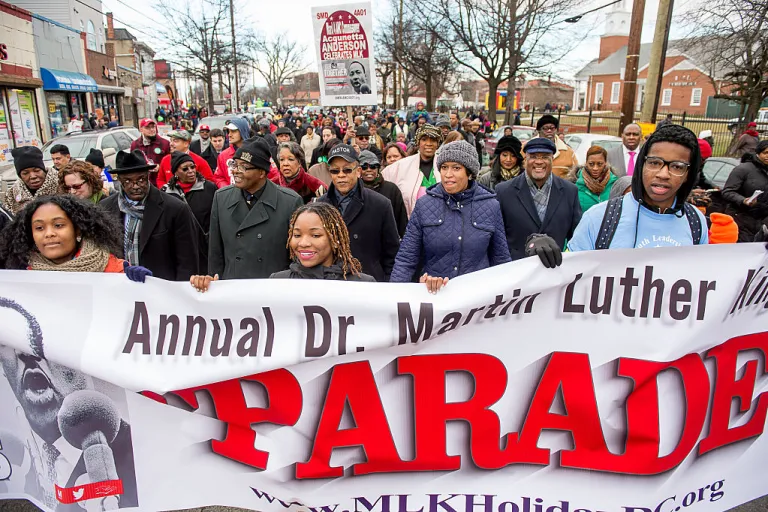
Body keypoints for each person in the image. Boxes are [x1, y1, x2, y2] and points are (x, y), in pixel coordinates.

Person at [0, 197, 146, 507]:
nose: (49, 234)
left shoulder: (114, 273)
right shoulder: (17, 281)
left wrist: (147, 289)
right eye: (39, 228)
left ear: (78, 231)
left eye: (58, 225)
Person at [566, 125, 708, 255]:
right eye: (654, 163)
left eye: (677, 166)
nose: (663, 174)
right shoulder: (598, 218)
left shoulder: (695, 222)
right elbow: (572, 275)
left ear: (688, 175)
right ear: (641, 165)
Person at [390, 140, 511, 292]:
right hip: (436, 298)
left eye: (456, 168)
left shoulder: (490, 206)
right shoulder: (424, 205)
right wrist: (394, 296)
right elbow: (406, 259)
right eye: (444, 167)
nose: (448, 174)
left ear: (470, 172)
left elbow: (501, 261)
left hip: (477, 299)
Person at [190, 202, 375, 291]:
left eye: (315, 235)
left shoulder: (363, 285)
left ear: (335, 239)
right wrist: (212, 292)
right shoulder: (277, 282)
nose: (303, 243)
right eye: (296, 235)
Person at [207, 138, 303, 279]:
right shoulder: (221, 198)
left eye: (244, 167)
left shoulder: (290, 202)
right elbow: (215, 253)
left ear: (262, 172)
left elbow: (297, 256)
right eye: (234, 164)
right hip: (233, 287)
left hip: (271, 288)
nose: (235, 171)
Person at [100, 150, 200, 281]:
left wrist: (180, 293)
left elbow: (187, 261)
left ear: (148, 176)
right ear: (119, 181)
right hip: (120, 288)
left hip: (161, 288)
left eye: (141, 179)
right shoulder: (105, 208)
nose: (135, 186)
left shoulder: (175, 209)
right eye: (128, 181)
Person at [316, 144, 400, 282]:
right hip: (330, 286)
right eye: (335, 171)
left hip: (369, 284)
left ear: (358, 171)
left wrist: (387, 286)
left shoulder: (381, 204)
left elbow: (392, 253)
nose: (341, 175)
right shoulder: (320, 206)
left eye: (347, 170)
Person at [495, 137, 582, 264]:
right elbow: (497, 239)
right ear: (525, 160)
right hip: (516, 271)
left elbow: (576, 238)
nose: (539, 162)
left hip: (555, 270)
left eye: (545, 157)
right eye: (534, 156)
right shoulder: (504, 191)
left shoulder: (570, 192)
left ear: (552, 159)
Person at [383, 125, 443, 217]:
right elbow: (380, 182)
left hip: (440, 223)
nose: (429, 143)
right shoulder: (402, 166)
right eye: (424, 139)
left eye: (433, 140)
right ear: (418, 142)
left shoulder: (445, 166)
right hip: (411, 224)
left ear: (438, 144)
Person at [722, 140, 768, 242]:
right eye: (765, 153)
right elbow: (727, 191)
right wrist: (743, 200)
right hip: (741, 219)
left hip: (763, 221)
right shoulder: (743, 169)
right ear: (758, 153)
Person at [358, 150, 408, 237]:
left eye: (373, 166)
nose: (369, 170)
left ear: (378, 168)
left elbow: (402, 221)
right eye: (364, 167)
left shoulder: (392, 189)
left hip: (388, 241)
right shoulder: (354, 190)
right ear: (358, 170)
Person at [3, 147, 59, 215]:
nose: (33, 176)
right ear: (20, 176)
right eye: (25, 173)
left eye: (37, 171)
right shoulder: (12, 195)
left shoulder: (62, 184)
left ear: (43, 170)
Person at [569, 145, 619, 213]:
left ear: (605, 163)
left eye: (599, 164)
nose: (595, 168)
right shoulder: (574, 185)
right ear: (586, 163)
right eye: (591, 164)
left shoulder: (615, 184)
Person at [129, 118, 170, 185]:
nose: (151, 130)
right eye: (147, 127)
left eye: (153, 127)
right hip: (142, 183)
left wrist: (160, 167)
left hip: (160, 183)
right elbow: (132, 164)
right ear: (141, 129)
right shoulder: (135, 144)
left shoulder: (165, 143)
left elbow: (170, 162)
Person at [213, 117, 251, 188]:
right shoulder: (223, 155)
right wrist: (228, 191)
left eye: (233, 131)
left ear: (243, 131)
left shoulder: (255, 152)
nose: (229, 135)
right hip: (232, 197)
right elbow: (219, 177)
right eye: (228, 131)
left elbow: (270, 174)